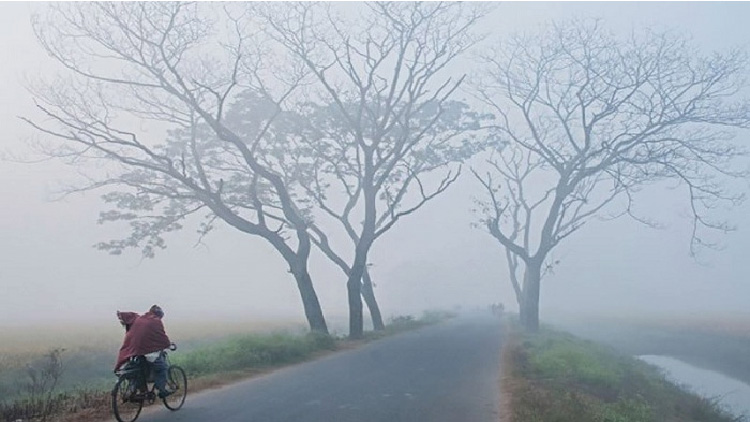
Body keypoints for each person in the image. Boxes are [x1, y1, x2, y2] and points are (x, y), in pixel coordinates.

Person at [115, 305, 174, 398]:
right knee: (162, 368)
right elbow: (162, 336)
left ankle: (140, 390)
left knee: (139, 369)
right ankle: (161, 390)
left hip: (133, 350)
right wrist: (167, 344)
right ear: (159, 315)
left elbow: (127, 317)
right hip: (147, 351)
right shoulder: (156, 321)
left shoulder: (138, 318)